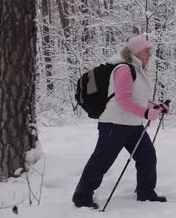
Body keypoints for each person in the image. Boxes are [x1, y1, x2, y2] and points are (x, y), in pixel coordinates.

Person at [72, 36, 170, 208]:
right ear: (136, 52)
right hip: (115, 123)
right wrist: (146, 113)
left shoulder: (137, 69)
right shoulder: (124, 69)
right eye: (147, 51)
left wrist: (155, 106)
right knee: (102, 160)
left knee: (147, 156)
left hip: (132, 124)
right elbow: (122, 99)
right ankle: (82, 196)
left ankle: (146, 192)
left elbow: (137, 98)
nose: (150, 54)